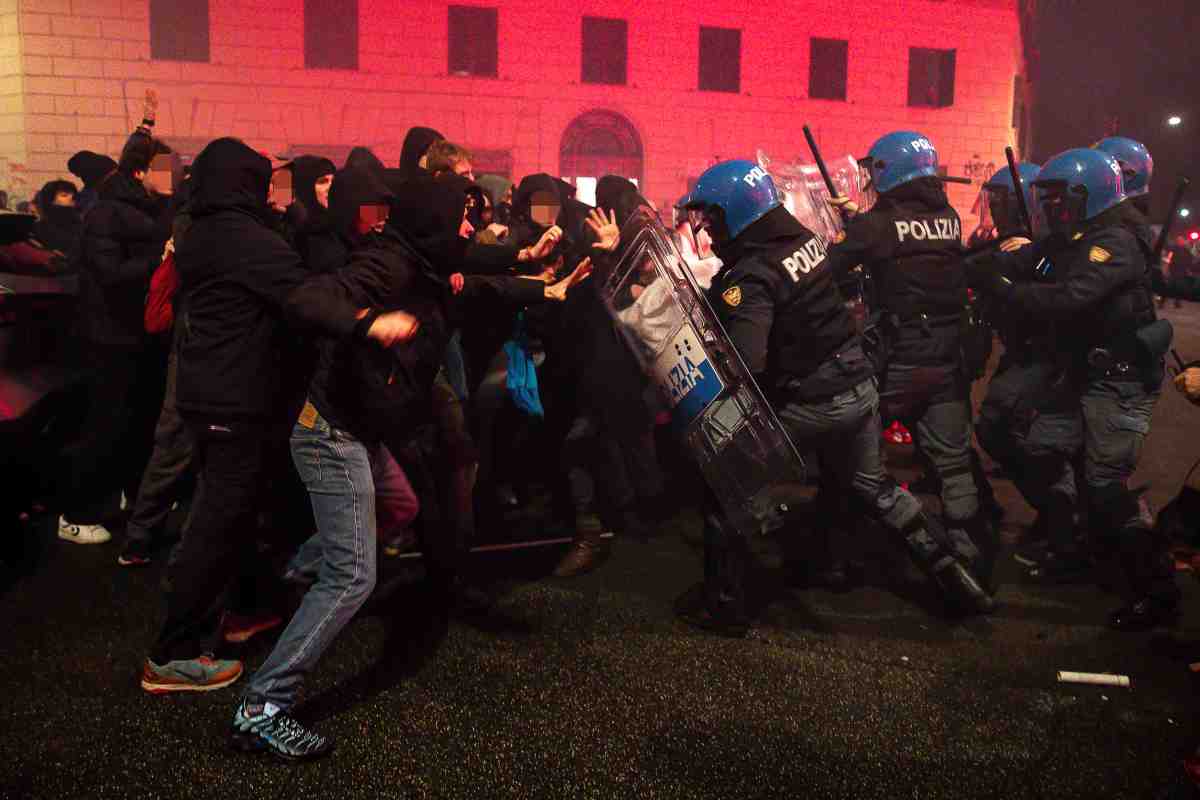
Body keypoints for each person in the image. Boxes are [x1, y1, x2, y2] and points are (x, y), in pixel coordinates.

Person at [141, 137, 418, 696]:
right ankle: (173, 654)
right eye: (263, 181)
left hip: (207, 392)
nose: (273, 193)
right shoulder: (242, 238)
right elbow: (301, 294)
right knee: (216, 525)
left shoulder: (201, 227)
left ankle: (228, 617)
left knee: (224, 518)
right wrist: (367, 323)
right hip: (233, 398)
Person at [675, 159, 993, 637]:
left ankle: (727, 606)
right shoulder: (802, 240)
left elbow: (749, 360)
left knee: (727, 485)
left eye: (712, 218)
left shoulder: (752, 274)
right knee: (875, 489)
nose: (709, 229)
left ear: (736, 213)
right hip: (858, 390)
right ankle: (959, 581)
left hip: (809, 400)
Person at [229, 165, 423, 761]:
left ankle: (292, 577)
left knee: (400, 505)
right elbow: (312, 298)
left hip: (354, 427)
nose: (381, 216)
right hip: (329, 432)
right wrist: (369, 321)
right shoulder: (359, 258)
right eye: (370, 207)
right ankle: (262, 704)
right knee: (354, 574)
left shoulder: (383, 251)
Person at [969, 147, 1180, 630]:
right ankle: (1078, 541)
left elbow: (1068, 298)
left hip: (1120, 380)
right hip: (1083, 374)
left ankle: (1158, 590)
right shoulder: (1076, 235)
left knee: (1106, 486)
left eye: (1060, 198)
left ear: (1089, 196)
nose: (1052, 208)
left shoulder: (1115, 242)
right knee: (1039, 446)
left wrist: (1001, 287)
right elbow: (1027, 261)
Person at [826, 132, 997, 584]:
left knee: (854, 453)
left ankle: (850, 554)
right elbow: (905, 240)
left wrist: (851, 228)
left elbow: (831, 266)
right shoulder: (947, 217)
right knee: (954, 462)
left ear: (889, 171)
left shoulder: (875, 225)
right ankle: (969, 552)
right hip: (945, 357)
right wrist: (862, 222)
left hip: (895, 360)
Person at [58, 112, 173, 545]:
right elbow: (109, 273)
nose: (173, 178)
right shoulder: (108, 212)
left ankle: (132, 495)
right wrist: (159, 259)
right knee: (104, 424)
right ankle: (75, 512)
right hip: (109, 336)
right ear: (141, 172)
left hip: (139, 333)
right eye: (165, 171)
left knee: (138, 421)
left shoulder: (152, 206)